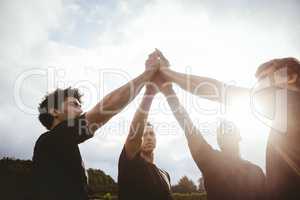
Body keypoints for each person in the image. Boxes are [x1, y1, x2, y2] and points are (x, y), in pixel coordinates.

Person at [157, 51, 300, 199]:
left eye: (264, 78)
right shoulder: (284, 118)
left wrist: (167, 73)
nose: (258, 87)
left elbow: (219, 90)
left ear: (290, 77)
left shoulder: (289, 103)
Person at [32, 50, 162, 200]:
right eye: (74, 104)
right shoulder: (49, 141)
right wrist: (148, 75)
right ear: (54, 111)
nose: (81, 109)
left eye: (80, 105)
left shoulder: (65, 147)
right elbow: (107, 106)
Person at [161, 82, 265, 200]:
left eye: (229, 132)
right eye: (223, 133)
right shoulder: (213, 160)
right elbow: (187, 124)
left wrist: (168, 91)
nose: (226, 135)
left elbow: (187, 124)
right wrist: (168, 91)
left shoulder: (254, 171)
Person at [118, 58, 173, 200]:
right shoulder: (130, 162)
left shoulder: (165, 174)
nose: (148, 137)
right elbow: (134, 133)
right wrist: (150, 92)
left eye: (151, 134)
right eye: (144, 135)